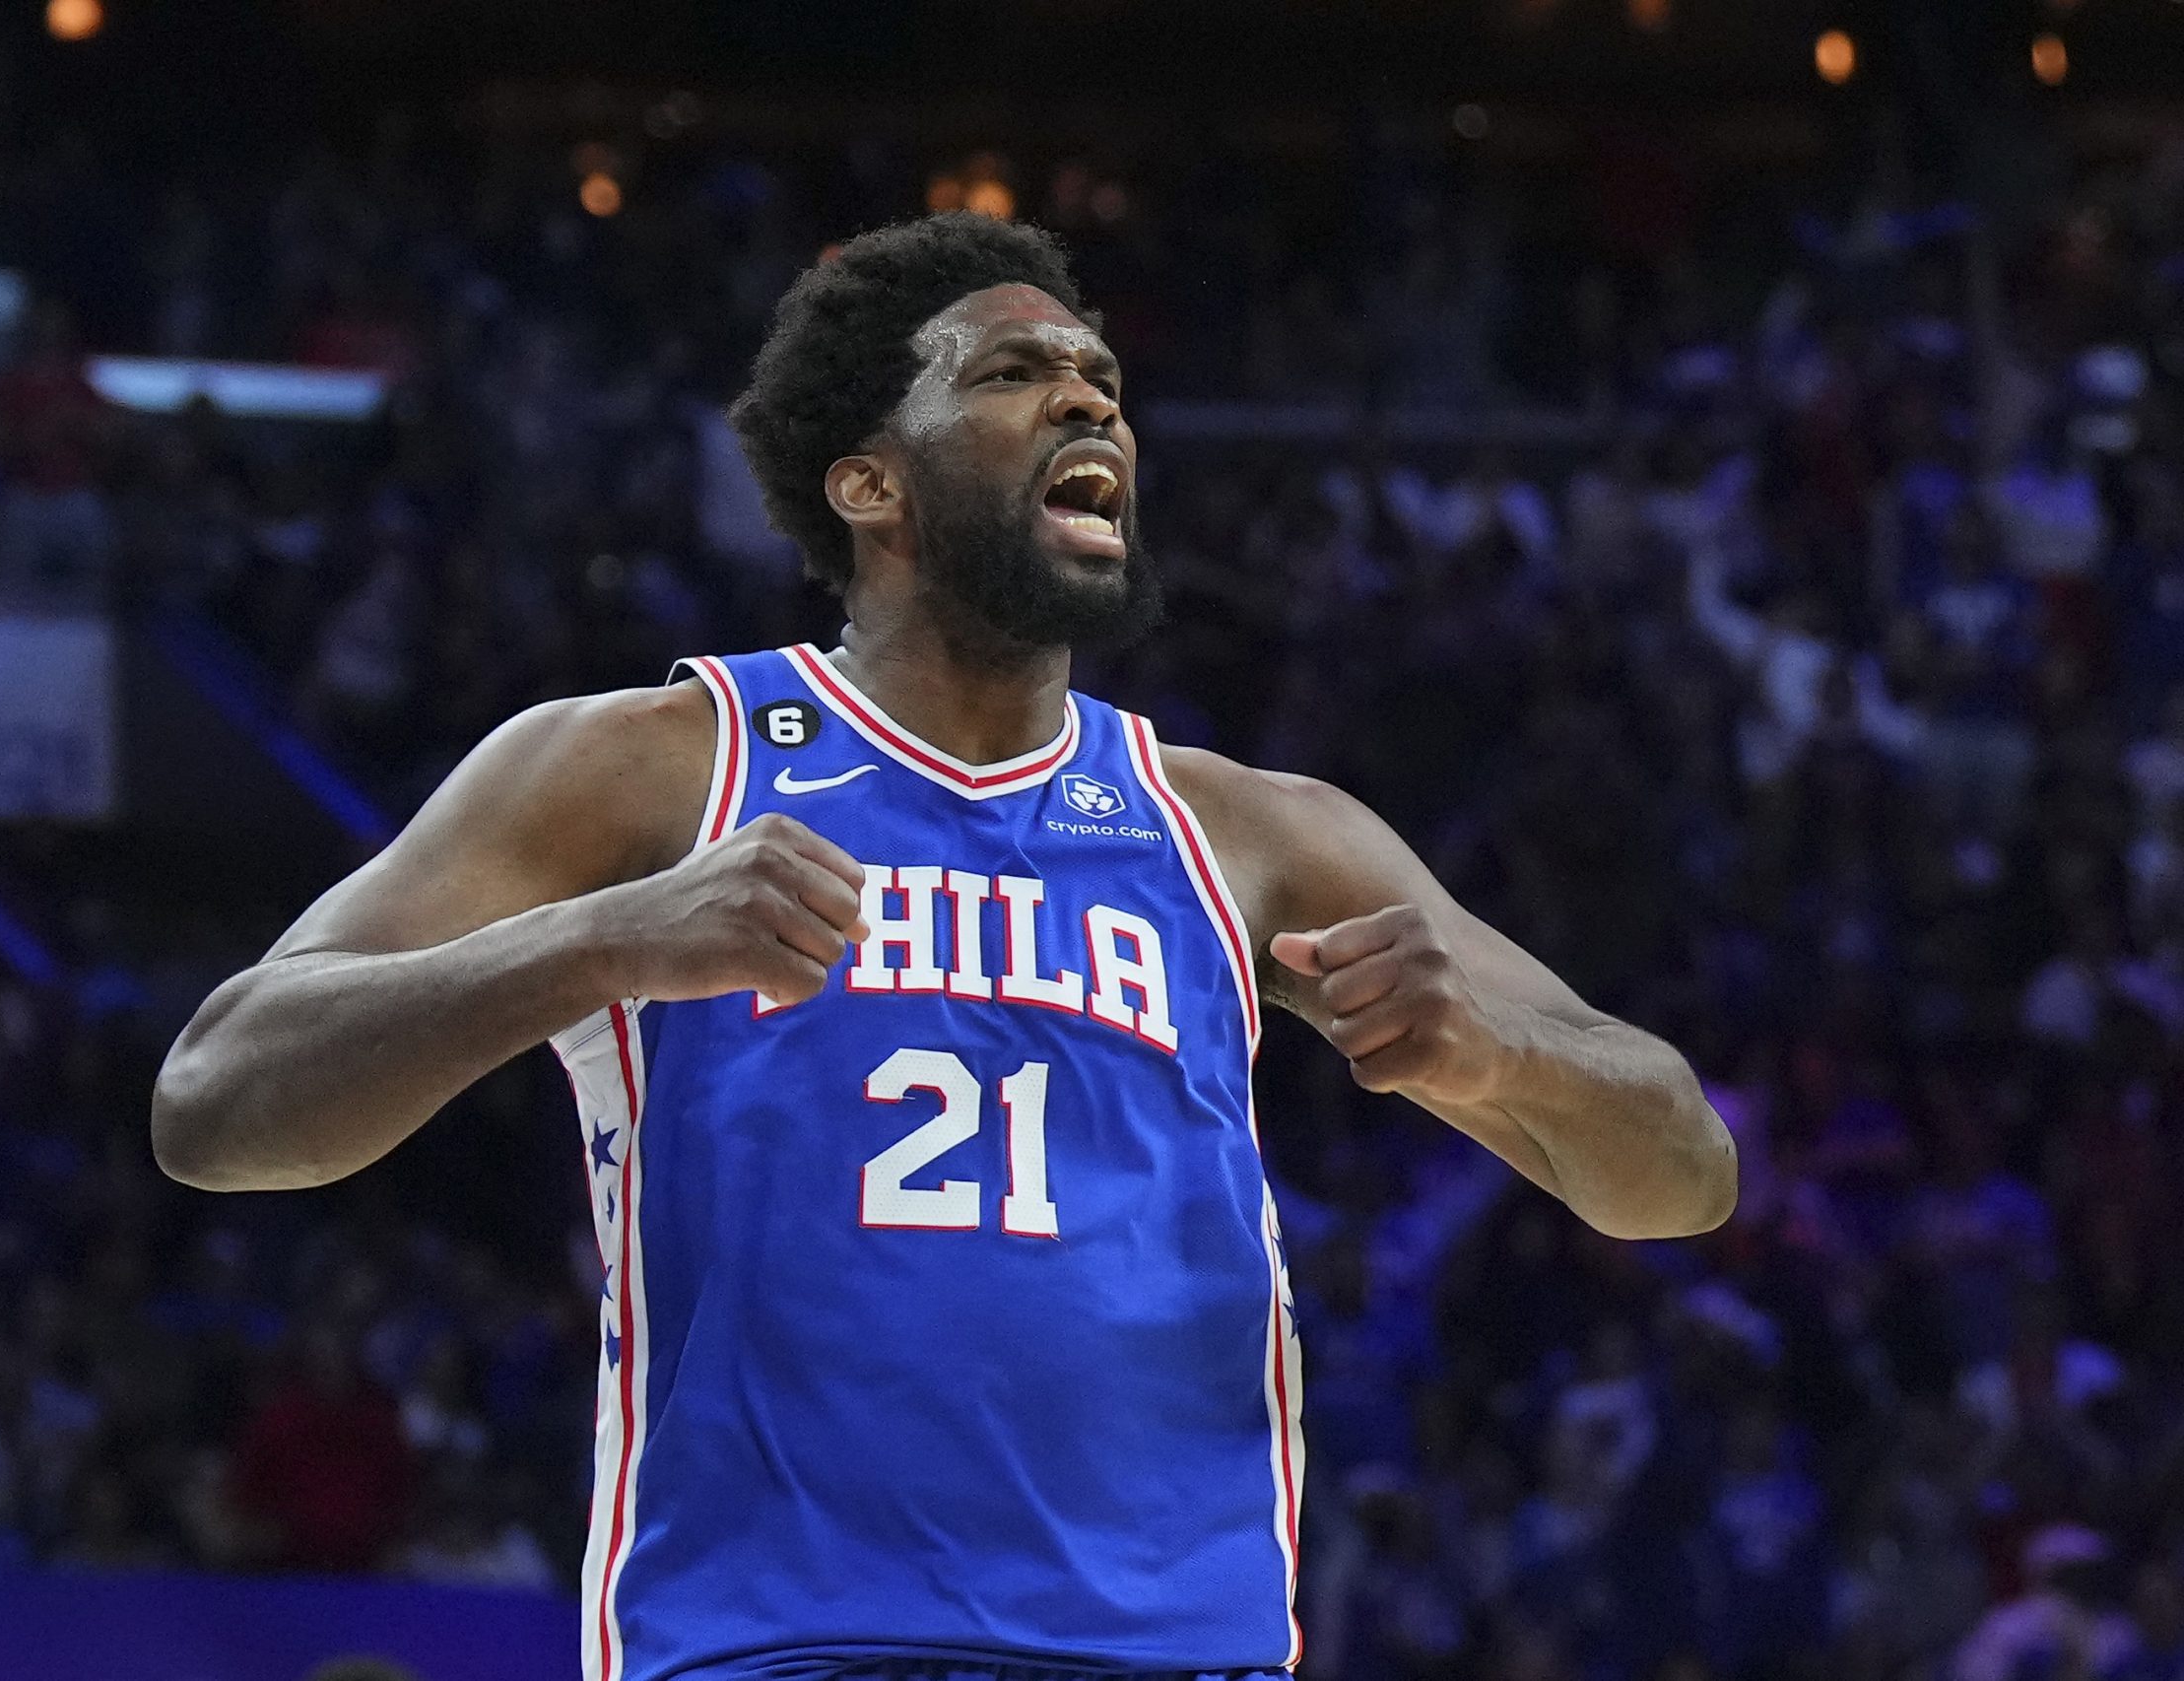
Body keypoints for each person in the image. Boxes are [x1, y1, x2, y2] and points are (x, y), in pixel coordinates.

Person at [151, 213, 1736, 1681]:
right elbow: (218, 1101)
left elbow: (1681, 1170)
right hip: (774, 1644)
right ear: (871, 483)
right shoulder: (657, 765)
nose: (1089, 404)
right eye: (1014, 372)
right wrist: (604, 941)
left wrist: (1495, 1051)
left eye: (1103, 382)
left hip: (1176, 1649)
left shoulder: (1248, 831)